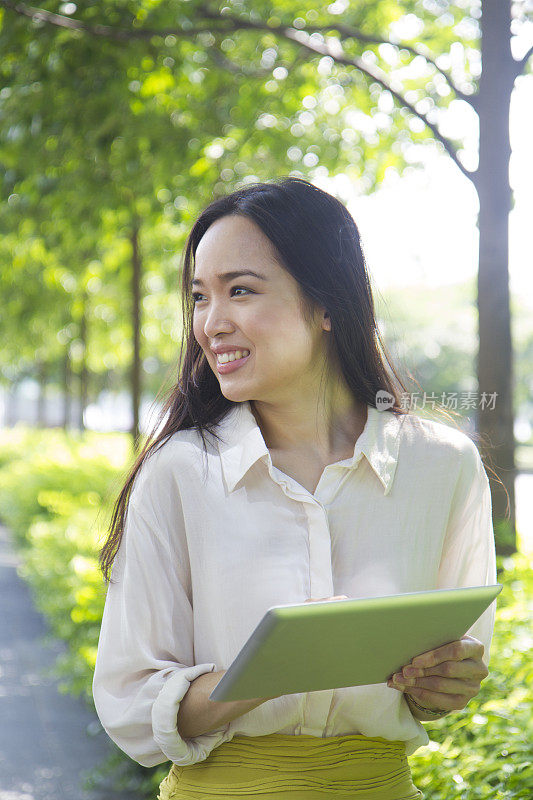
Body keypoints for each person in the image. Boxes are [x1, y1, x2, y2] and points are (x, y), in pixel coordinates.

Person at [93, 178, 497, 800]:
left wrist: (445, 684)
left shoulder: (443, 467)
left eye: (241, 291)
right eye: (200, 297)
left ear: (327, 303)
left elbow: (446, 687)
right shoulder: (177, 472)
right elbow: (131, 703)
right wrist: (281, 665)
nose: (211, 323)